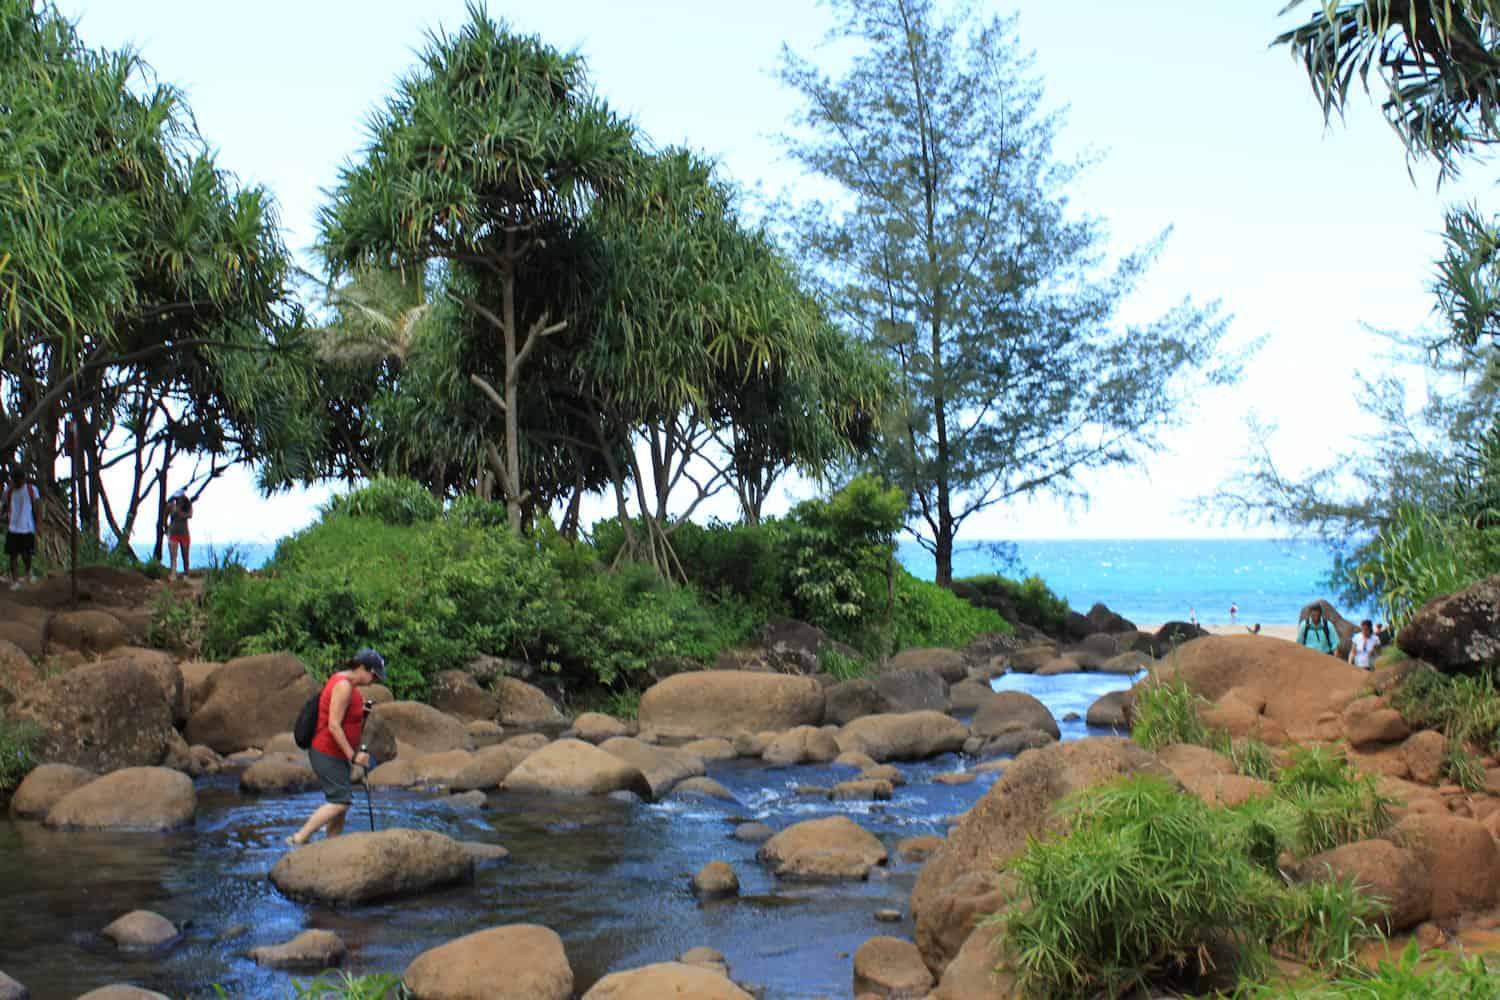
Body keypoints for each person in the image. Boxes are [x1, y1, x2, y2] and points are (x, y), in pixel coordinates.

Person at [287, 648, 385, 846]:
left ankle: (331, 843)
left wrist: (362, 713)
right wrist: (353, 757)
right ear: (362, 668)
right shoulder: (343, 686)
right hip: (327, 752)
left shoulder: (347, 684)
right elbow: (333, 725)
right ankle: (299, 838)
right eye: (374, 675)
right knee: (340, 801)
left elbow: (345, 717)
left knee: (342, 801)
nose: (375, 680)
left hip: (335, 753)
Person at [2, 469, 40, 590]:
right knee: (13, 555)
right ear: (13, 480)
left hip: (27, 527)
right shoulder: (8, 492)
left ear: (24, 478)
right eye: (16, 480)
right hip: (13, 527)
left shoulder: (31, 489)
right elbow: (4, 506)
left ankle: (29, 572)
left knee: (26, 554)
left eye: (20, 480)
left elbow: (37, 507)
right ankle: (15, 580)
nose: (19, 482)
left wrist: (39, 525)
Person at [164, 488, 193, 580]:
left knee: (185, 555)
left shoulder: (188, 505)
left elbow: (190, 515)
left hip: (184, 533)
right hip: (173, 533)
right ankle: (173, 574)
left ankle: (186, 574)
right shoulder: (170, 506)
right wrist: (166, 528)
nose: (177, 500)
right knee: (173, 556)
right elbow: (165, 517)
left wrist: (180, 512)